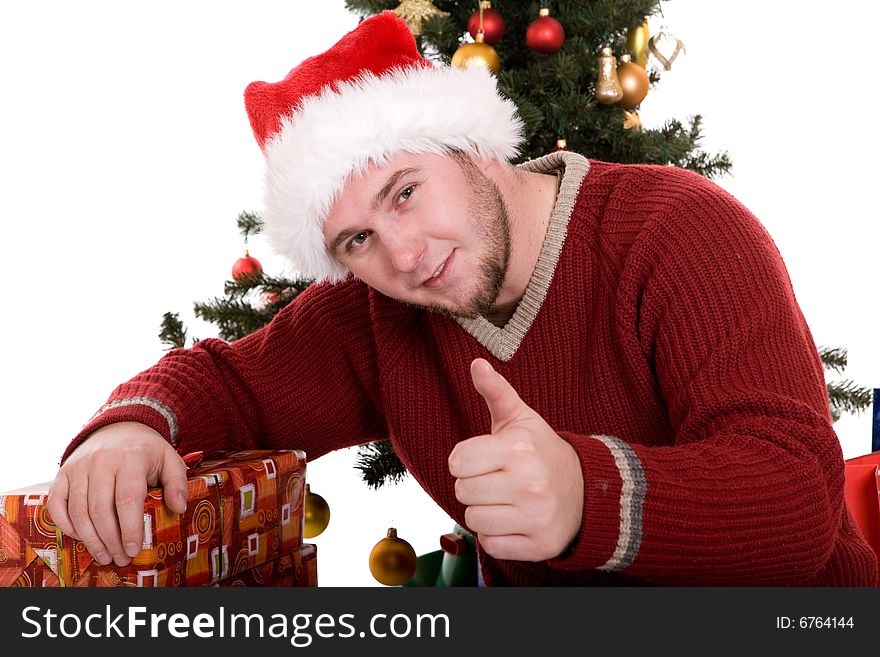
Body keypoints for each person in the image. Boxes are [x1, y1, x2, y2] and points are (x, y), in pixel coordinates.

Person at [48, 11, 877, 586]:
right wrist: (130, 423)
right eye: (355, 241)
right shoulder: (384, 314)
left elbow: (796, 504)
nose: (402, 256)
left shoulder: (680, 232)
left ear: (473, 148)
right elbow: (231, 381)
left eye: (405, 192)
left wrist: (588, 492)